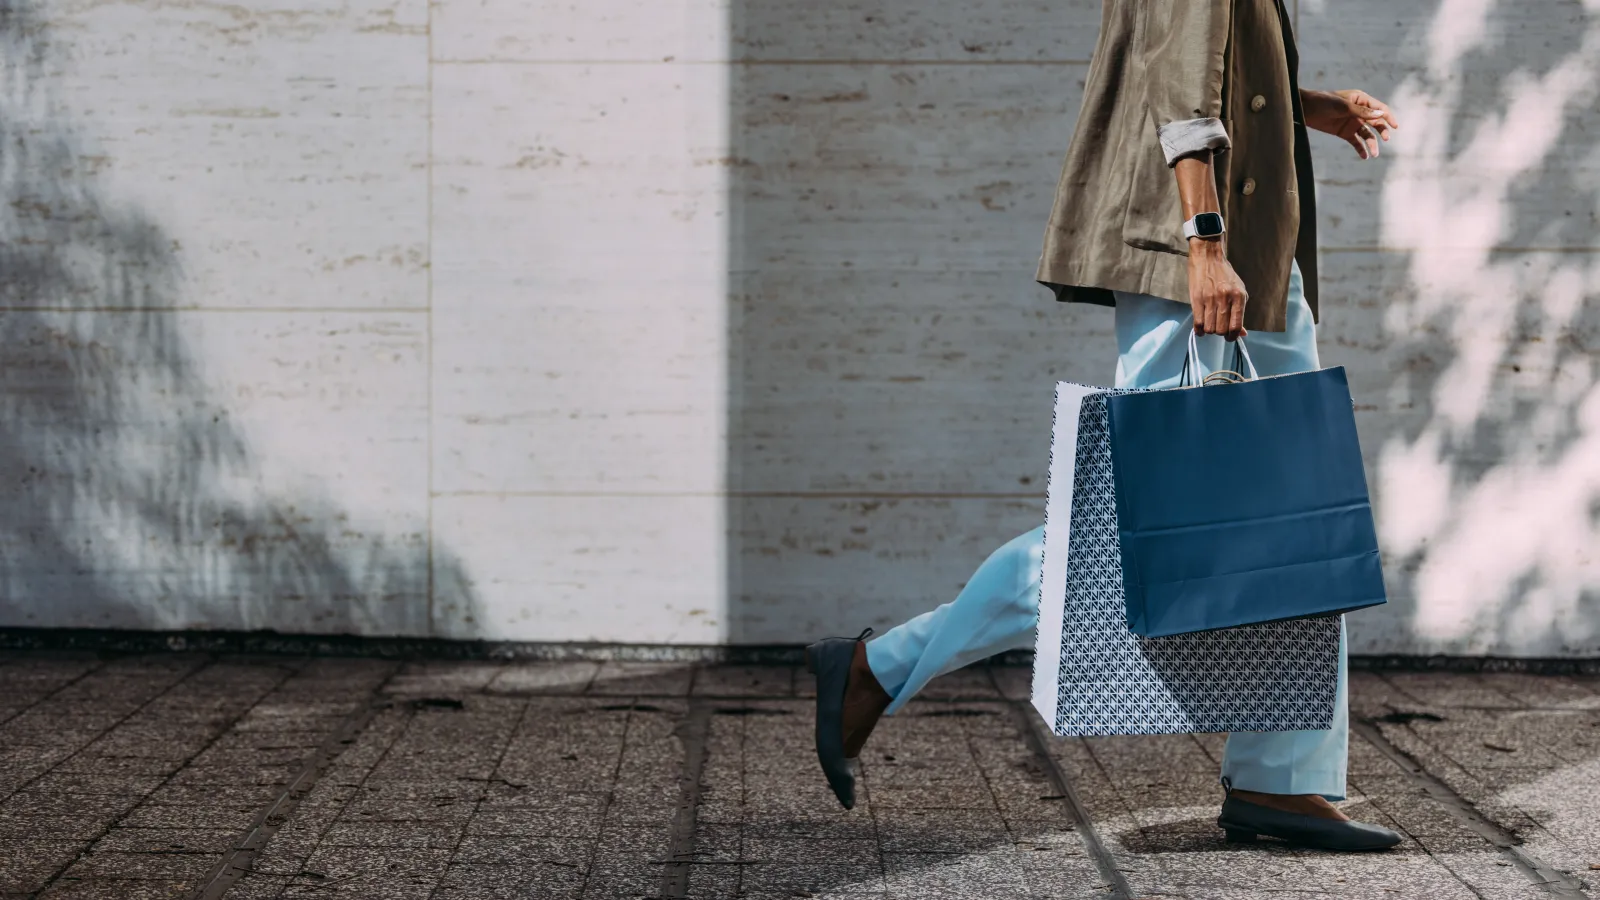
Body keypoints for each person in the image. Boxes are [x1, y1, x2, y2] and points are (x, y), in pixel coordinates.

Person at [806, 0, 1405, 852]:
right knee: (1148, 525)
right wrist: (1203, 242)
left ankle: (1287, 778)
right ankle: (877, 667)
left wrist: (1306, 104)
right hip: (1196, 251)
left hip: (1250, 241)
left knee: (1295, 509)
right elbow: (1176, 79)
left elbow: (1206, 65)